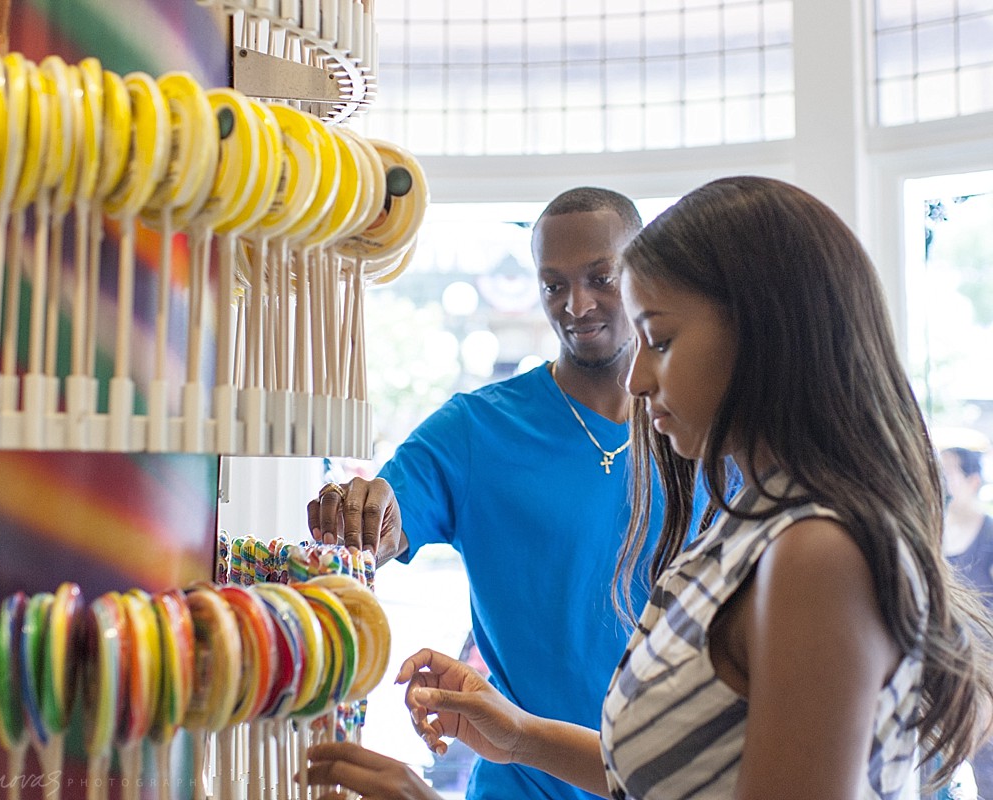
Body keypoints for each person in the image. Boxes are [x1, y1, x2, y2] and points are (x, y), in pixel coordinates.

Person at [304, 176, 993, 800]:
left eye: (658, 338)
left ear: (760, 335)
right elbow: (680, 776)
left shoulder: (814, 555)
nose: (637, 378)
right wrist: (519, 736)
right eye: (553, 285)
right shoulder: (752, 526)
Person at [308, 187, 713, 800]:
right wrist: (363, 516)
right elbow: (386, 518)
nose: (576, 304)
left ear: (644, 274)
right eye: (553, 285)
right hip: (520, 783)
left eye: (600, 278)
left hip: (673, 781)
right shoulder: (478, 430)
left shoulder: (702, 431)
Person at [941, 446, 993, 797]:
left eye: (949, 473)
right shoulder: (933, 532)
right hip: (952, 671)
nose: (941, 481)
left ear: (972, 480)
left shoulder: (989, 535)